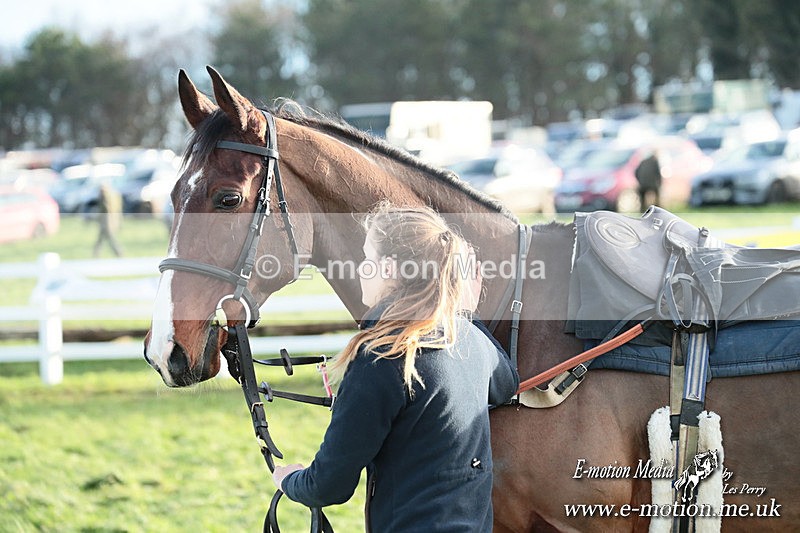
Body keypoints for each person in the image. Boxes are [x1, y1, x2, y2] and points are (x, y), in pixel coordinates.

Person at [272, 204, 519, 532]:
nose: (360, 269)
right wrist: (466, 314)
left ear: (388, 269)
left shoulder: (381, 355)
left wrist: (289, 479)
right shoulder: (471, 338)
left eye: (367, 259)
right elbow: (506, 384)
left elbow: (329, 485)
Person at [93, 183, 123, 257]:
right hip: (110, 219)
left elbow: (106, 209)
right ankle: (96, 253)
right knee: (101, 239)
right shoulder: (114, 195)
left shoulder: (105, 196)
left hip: (106, 220)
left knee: (110, 238)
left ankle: (118, 252)